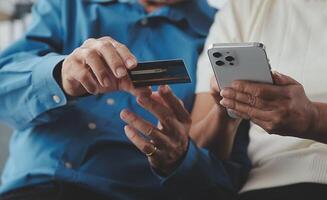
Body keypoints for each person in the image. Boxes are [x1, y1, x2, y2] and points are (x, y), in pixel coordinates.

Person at [0, 0, 248, 199]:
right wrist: (62, 75)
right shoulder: (67, 6)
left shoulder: (221, 36)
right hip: (33, 188)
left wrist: (181, 158)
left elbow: (223, 181)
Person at [123, 0, 327, 199]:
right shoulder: (242, 9)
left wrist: (312, 119)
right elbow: (201, 151)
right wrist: (226, 112)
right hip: (265, 185)